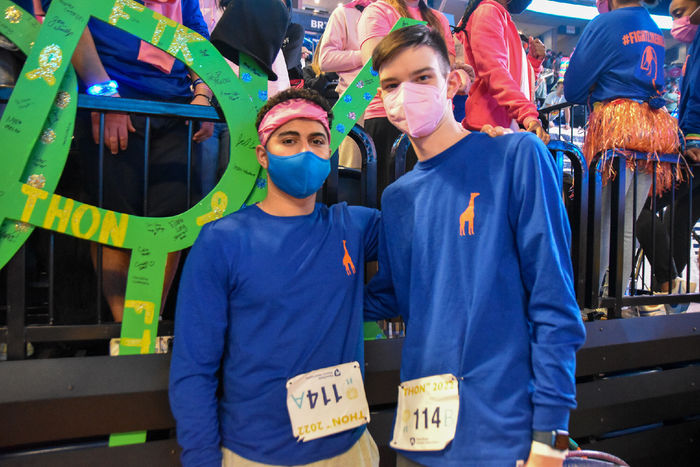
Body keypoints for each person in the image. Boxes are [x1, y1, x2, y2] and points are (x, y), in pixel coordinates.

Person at [365, 25, 585, 467]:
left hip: (501, 436)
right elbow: (391, 296)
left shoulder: (516, 157)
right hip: (418, 436)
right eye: (391, 84)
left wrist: (553, 439)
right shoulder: (397, 198)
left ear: (452, 82)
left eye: (422, 77)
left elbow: (555, 304)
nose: (405, 93)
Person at [169, 87, 381, 467]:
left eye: (317, 140)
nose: (305, 151)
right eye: (289, 139)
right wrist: (200, 458)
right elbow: (194, 366)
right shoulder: (222, 241)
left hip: (351, 451)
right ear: (263, 156)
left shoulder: (352, 226)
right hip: (256, 456)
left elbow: (425, 233)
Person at [39, 0, 212, 322]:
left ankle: (147, 325)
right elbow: (69, 13)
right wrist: (104, 94)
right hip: (115, 94)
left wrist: (203, 93)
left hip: (178, 105)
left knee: (171, 219)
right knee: (114, 216)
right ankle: (124, 328)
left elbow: (197, 37)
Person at [565, 0, 683, 313]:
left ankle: (590, 303)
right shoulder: (655, 29)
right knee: (627, 222)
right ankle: (617, 296)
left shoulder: (605, 23)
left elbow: (573, 89)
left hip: (617, 128)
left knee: (603, 220)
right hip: (653, 131)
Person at [633, 0, 700, 313]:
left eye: (679, 12)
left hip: (695, 148)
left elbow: (698, 93)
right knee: (679, 218)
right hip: (691, 143)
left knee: (637, 207)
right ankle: (673, 298)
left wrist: (694, 137)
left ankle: (668, 283)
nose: (677, 21)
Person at [358, 0, 457, 200]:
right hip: (386, 118)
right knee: (389, 196)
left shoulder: (439, 19)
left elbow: (447, 65)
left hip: (435, 118)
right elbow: (375, 65)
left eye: (421, 77)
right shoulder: (378, 11)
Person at [454, 0, 550, 144]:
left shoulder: (498, 15)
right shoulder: (488, 11)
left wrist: (534, 62)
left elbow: (512, 80)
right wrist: (527, 114)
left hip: (502, 130)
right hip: (489, 132)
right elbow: (495, 74)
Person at [318, 0, 377, 168]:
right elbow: (326, 59)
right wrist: (368, 55)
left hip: (389, 102)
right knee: (352, 169)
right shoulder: (344, 13)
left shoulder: (393, 13)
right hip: (356, 101)